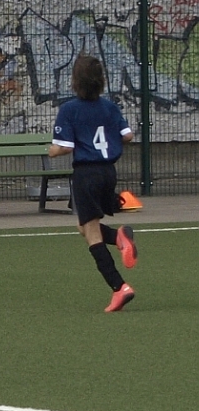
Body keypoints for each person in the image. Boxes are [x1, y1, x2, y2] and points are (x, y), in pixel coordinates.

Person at [49, 54, 138, 312]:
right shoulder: (110, 107)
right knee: (84, 226)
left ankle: (119, 287)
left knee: (92, 234)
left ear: (75, 82)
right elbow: (128, 136)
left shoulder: (69, 109)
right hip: (108, 172)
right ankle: (119, 238)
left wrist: (52, 151)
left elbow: (65, 147)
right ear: (101, 81)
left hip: (86, 174)